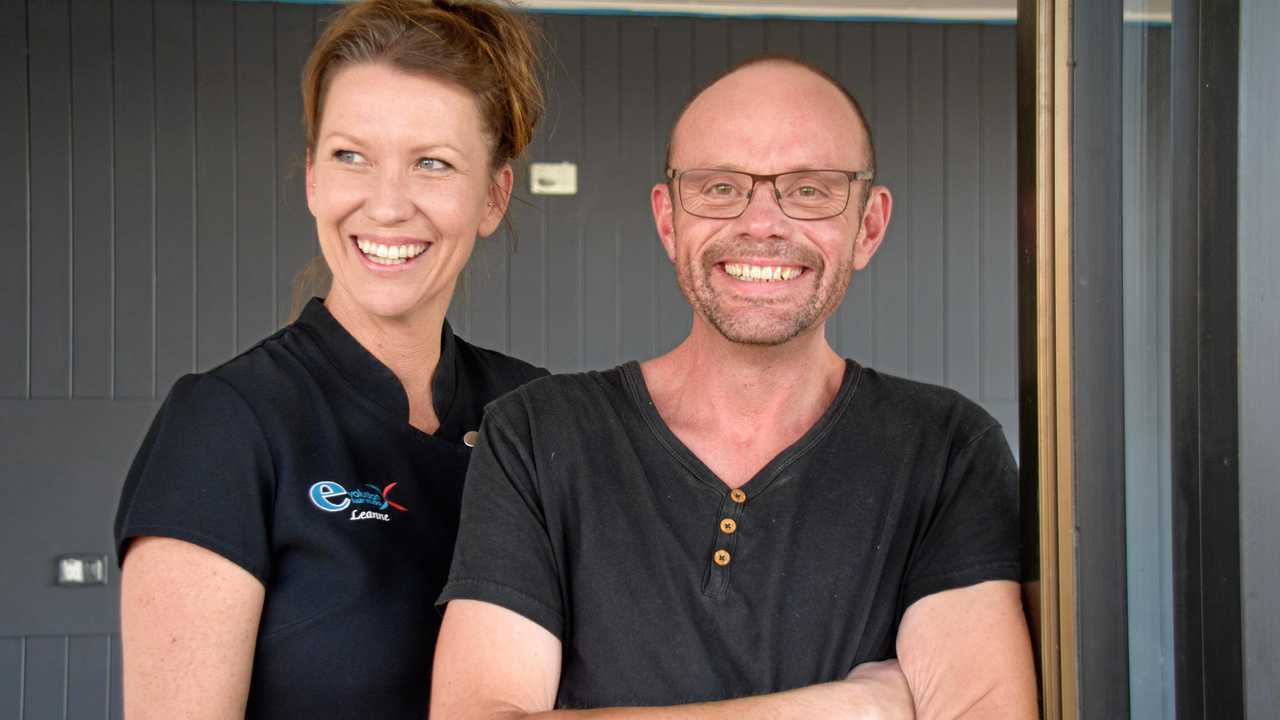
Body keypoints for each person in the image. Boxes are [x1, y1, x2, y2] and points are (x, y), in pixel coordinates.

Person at [431, 57, 1038, 719]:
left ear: (868, 225)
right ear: (668, 221)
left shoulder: (947, 450)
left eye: (810, 189)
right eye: (720, 187)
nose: (761, 223)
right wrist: (848, 708)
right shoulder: (537, 434)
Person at [113, 1, 546, 717]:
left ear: (493, 195)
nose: (386, 206)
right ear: (313, 177)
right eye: (351, 157)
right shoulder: (227, 425)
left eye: (432, 164)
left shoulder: (533, 414)